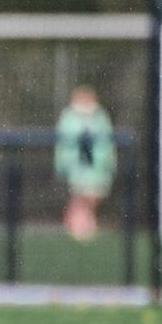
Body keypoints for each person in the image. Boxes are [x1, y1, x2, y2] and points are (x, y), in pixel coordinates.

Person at [54, 85, 115, 241]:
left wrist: (108, 164)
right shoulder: (69, 118)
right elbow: (63, 146)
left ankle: (81, 224)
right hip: (76, 169)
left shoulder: (101, 118)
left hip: (97, 170)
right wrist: (63, 166)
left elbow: (107, 145)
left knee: (92, 196)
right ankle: (79, 226)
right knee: (81, 197)